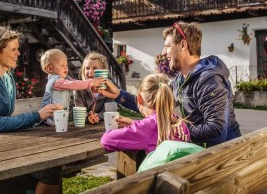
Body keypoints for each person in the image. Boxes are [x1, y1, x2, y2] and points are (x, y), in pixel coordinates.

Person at [99, 21, 241, 148]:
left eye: (167, 46)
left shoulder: (209, 81)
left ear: (183, 45)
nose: (163, 52)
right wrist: (119, 95)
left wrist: (168, 129)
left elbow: (216, 132)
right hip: (202, 152)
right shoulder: (181, 79)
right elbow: (155, 103)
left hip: (223, 156)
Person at [0, 26, 63, 194]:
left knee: (52, 161)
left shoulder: (7, 76)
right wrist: (36, 115)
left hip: (0, 143)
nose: (18, 53)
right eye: (13, 49)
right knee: (49, 169)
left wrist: (44, 119)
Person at [101, 74, 190, 154]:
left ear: (139, 98)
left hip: (158, 172)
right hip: (177, 171)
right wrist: (134, 123)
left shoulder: (149, 126)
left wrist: (136, 126)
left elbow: (107, 139)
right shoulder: (179, 121)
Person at [39, 49, 105, 125]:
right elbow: (74, 84)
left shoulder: (64, 79)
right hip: (48, 120)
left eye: (66, 65)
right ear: (49, 68)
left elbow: (74, 82)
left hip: (58, 120)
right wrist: (90, 83)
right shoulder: (56, 82)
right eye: (62, 65)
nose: (66, 68)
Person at [75, 51, 116, 124]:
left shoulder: (109, 88)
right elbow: (79, 109)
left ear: (103, 71)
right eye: (87, 68)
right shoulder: (79, 89)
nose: (90, 72)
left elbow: (109, 110)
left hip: (104, 125)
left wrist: (98, 116)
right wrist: (88, 117)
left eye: (95, 68)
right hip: (83, 128)